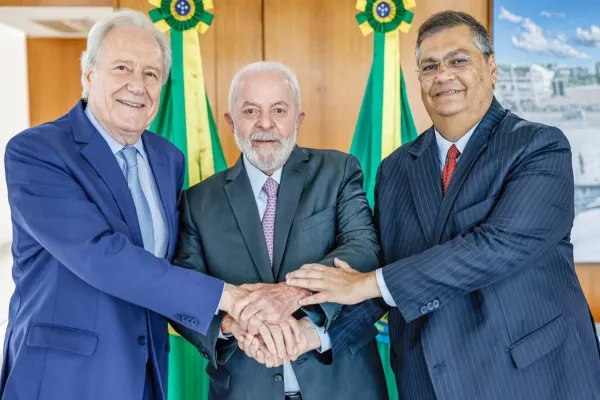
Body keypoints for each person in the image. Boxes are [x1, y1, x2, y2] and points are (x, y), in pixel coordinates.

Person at [287, 10, 600, 400]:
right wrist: (313, 333)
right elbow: (386, 273)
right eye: (430, 66)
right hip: (427, 383)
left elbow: (493, 248)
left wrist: (367, 282)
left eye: (458, 60)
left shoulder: (539, 147)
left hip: (530, 380)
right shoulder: (395, 169)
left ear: (491, 68)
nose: (443, 75)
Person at [0, 11, 284, 400]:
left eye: (151, 74)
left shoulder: (167, 158)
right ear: (88, 74)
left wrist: (226, 323)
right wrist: (228, 296)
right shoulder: (37, 151)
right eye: (122, 68)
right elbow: (100, 255)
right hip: (63, 379)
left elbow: (167, 266)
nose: (137, 85)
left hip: (146, 374)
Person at [170, 61, 388, 400]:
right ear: (231, 122)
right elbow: (183, 292)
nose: (265, 123)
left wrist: (291, 294)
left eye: (279, 110)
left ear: (298, 119)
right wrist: (230, 325)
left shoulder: (339, 171)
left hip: (343, 386)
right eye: (250, 110)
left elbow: (363, 250)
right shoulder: (197, 201)